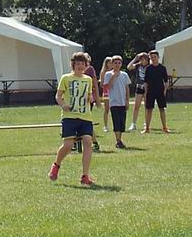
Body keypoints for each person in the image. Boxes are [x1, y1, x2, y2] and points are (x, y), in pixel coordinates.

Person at [48, 52, 95, 186]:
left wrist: (90, 98)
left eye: (82, 64)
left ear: (86, 66)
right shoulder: (66, 78)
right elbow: (58, 96)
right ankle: (56, 165)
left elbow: (89, 95)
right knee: (68, 146)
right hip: (69, 117)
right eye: (77, 63)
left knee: (88, 143)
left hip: (85, 117)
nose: (80, 66)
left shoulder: (88, 79)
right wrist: (63, 105)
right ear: (73, 65)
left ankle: (85, 175)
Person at [102, 55, 131, 149]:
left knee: (122, 122)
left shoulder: (124, 75)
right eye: (115, 63)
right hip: (114, 102)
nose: (117, 65)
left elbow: (127, 88)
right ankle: (118, 140)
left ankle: (120, 138)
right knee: (116, 120)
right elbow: (108, 87)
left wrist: (127, 100)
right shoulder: (108, 74)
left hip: (122, 101)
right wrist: (113, 76)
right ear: (112, 64)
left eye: (119, 63)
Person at [142, 50, 171, 133]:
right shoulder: (148, 68)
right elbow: (146, 82)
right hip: (150, 91)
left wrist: (164, 91)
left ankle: (165, 127)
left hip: (160, 91)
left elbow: (166, 81)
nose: (153, 59)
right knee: (149, 109)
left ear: (158, 57)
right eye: (151, 57)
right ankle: (147, 128)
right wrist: (145, 92)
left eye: (155, 57)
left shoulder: (162, 68)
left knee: (162, 109)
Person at [127, 52, 149, 131]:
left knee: (147, 106)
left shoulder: (150, 66)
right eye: (141, 59)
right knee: (136, 106)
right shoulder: (138, 65)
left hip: (147, 88)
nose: (142, 60)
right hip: (139, 87)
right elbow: (129, 67)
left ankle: (146, 123)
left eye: (144, 59)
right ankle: (133, 124)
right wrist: (135, 58)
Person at [98, 56, 114, 132]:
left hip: (114, 92)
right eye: (109, 63)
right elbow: (101, 84)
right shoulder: (103, 72)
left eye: (111, 63)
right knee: (106, 109)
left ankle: (114, 125)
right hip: (106, 92)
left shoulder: (115, 72)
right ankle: (105, 125)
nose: (111, 64)